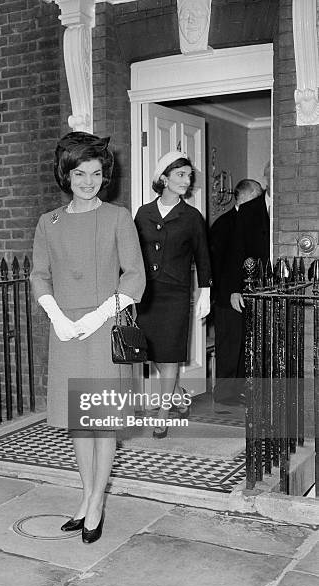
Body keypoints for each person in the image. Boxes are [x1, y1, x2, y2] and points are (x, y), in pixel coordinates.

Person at [30, 132, 145, 544]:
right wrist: (57, 316)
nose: (88, 181)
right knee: (79, 424)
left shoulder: (118, 217)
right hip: (67, 332)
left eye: (96, 173)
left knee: (102, 423)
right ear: (66, 175)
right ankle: (86, 497)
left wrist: (99, 314)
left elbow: (135, 275)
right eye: (80, 173)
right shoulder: (50, 222)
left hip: (105, 326)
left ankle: (96, 503)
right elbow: (39, 274)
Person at [134, 151, 211, 438]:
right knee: (153, 351)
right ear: (163, 178)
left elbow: (203, 256)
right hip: (147, 294)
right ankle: (178, 393)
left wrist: (205, 289)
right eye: (180, 174)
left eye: (189, 175)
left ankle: (163, 414)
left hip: (176, 294)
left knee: (169, 355)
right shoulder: (143, 213)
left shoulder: (192, 217)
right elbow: (132, 253)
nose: (187, 180)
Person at [210, 179, 267, 405]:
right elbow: (219, 263)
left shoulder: (247, 220)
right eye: (256, 198)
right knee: (229, 345)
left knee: (242, 344)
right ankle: (224, 394)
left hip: (243, 295)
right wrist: (229, 292)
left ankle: (238, 391)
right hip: (227, 297)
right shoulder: (225, 223)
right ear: (242, 198)